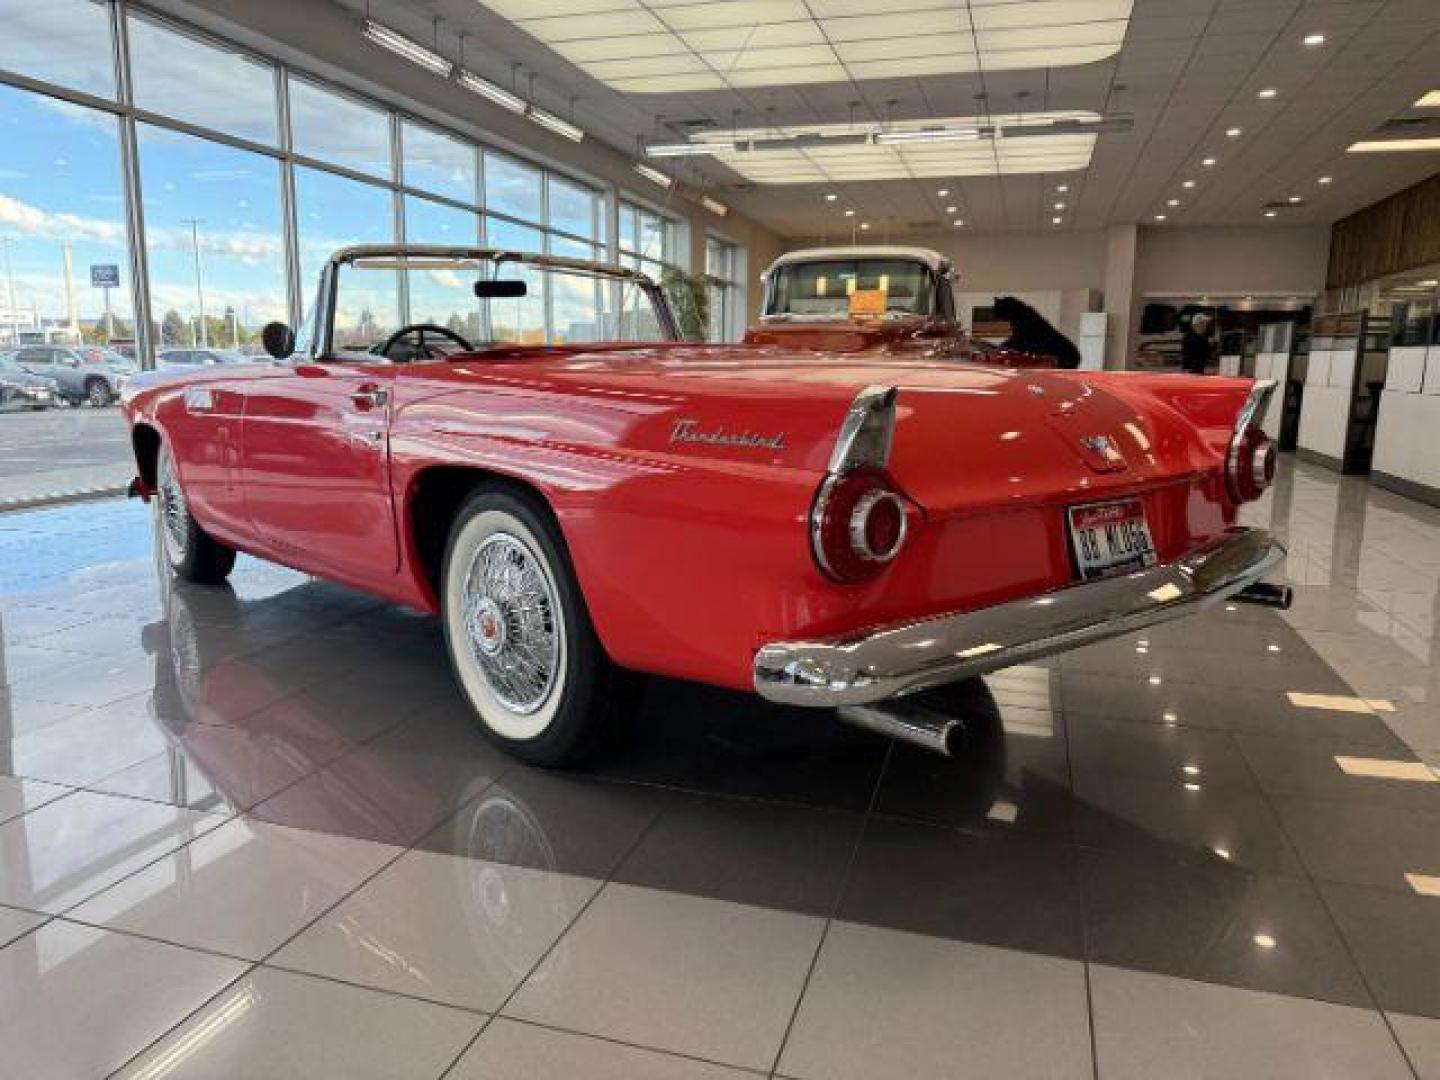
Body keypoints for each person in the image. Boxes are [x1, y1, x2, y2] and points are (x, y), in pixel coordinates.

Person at [992, 296, 1081, 369]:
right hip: (1066, 354)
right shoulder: (1026, 316)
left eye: (1000, 316)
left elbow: (1019, 341)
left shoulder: (1025, 319)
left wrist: (999, 349)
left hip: (1065, 356)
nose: (1000, 319)